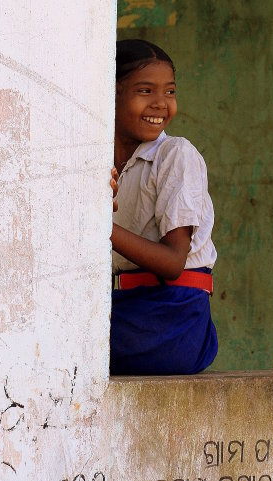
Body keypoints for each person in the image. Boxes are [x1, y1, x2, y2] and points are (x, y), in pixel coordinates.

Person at [109, 38, 218, 375]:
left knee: (58, 338)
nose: (161, 104)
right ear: (109, 93)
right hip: (129, 310)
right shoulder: (101, 162)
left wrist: (98, 225)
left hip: (173, 319)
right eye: (145, 91)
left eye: (169, 92)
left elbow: (172, 262)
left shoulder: (175, 155)